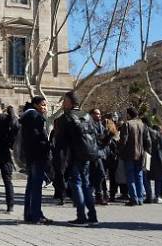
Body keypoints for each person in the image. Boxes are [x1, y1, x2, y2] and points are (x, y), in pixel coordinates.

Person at [54, 91, 98, 226]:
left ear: (71, 102)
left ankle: (81, 216)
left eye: (65, 101)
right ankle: (92, 215)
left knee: (77, 184)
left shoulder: (67, 117)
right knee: (85, 184)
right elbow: (95, 133)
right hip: (88, 154)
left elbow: (61, 140)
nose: (63, 103)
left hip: (75, 155)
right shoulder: (87, 115)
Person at [20, 96, 52, 225]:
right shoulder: (35, 117)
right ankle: (36, 215)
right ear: (35, 104)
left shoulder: (28, 115)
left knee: (31, 186)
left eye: (46, 105)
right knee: (36, 187)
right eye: (43, 105)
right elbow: (38, 138)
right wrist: (47, 145)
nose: (45, 107)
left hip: (30, 156)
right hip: (37, 156)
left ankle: (30, 213)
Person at [119, 106, 151, 206]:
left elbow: (123, 141)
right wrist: (147, 153)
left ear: (128, 114)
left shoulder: (127, 124)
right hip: (140, 154)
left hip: (129, 154)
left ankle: (134, 198)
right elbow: (148, 141)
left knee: (130, 177)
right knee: (139, 176)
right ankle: (140, 198)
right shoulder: (142, 124)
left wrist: (119, 151)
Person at [88, 108, 109, 205]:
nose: (99, 116)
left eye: (99, 114)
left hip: (101, 154)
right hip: (92, 154)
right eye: (96, 114)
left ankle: (96, 195)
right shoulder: (88, 125)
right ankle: (94, 195)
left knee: (98, 175)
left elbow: (104, 140)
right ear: (91, 114)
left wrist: (109, 136)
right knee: (98, 174)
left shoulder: (101, 125)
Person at [145, 123, 162, 204]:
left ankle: (150, 195)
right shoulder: (161, 136)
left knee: (147, 178)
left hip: (151, 159)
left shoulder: (152, 136)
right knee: (158, 179)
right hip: (160, 160)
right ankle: (157, 196)